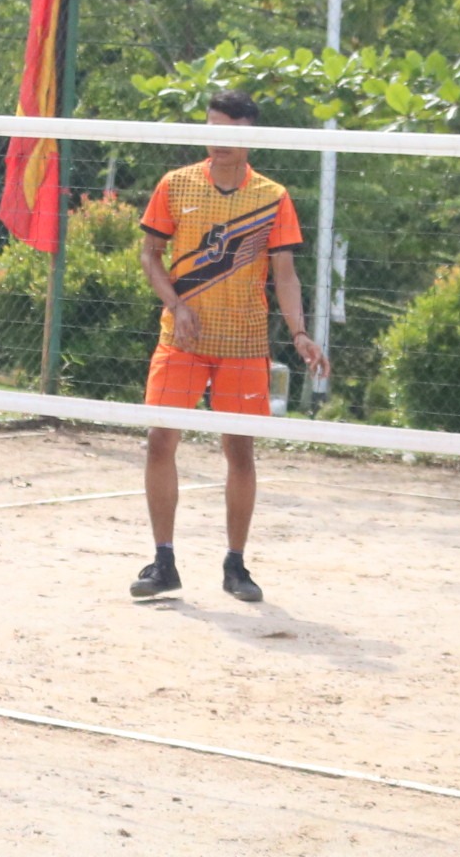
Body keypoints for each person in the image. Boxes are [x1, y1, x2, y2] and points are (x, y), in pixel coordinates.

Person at [130, 88, 325, 606]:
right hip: (183, 337)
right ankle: (163, 560)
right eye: (211, 128)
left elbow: (285, 273)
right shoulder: (175, 184)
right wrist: (176, 304)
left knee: (240, 451)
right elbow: (150, 255)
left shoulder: (273, 196)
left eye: (228, 132)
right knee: (159, 440)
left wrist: (300, 333)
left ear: (248, 136)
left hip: (243, 343)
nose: (217, 141)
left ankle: (236, 565)